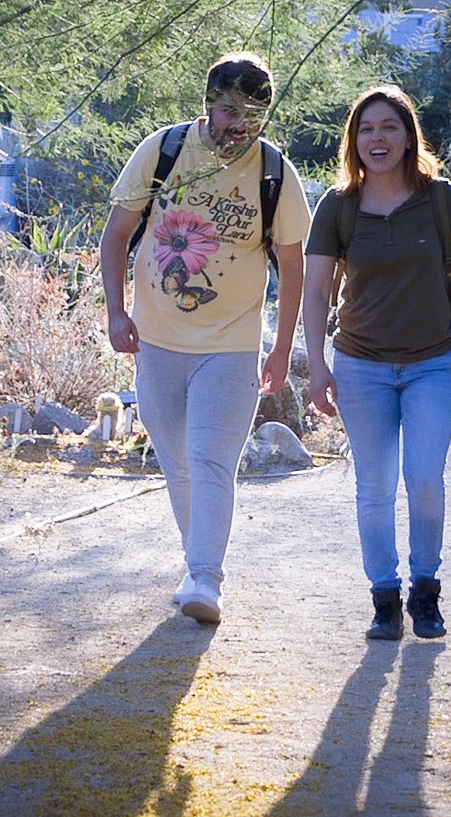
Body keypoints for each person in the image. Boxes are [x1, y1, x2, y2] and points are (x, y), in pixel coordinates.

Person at [99, 51, 310, 624]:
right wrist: (117, 314)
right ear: (206, 106)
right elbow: (117, 234)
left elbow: (294, 268)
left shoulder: (273, 172)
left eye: (249, 115)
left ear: (265, 116)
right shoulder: (164, 150)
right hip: (157, 339)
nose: (235, 126)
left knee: (211, 458)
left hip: (232, 341)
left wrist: (281, 347)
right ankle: (198, 561)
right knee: (176, 460)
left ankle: (205, 578)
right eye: (225, 111)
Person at [303, 84, 451, 641]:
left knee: (424, 477)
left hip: (433, 362)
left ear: (408, 136)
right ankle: (384, 600)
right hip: (360, 365)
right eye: (366, 129)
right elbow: (317, 290)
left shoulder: (443, 200)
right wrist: (316, 364)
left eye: (389, 127)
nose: (377, 138)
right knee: (375, 485)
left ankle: (426, 590)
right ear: (354, 141)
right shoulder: (337, 207)